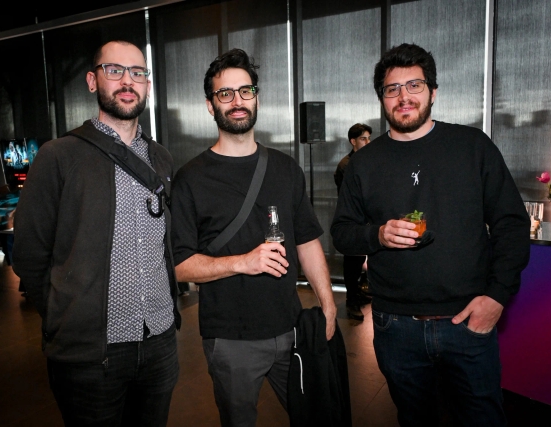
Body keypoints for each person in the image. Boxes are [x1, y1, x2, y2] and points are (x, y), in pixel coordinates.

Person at [330, 43, 530, 426]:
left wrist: (497, 297)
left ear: (433, 91)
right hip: (395, 328)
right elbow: (342, 233)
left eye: (415, 85)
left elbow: (511, 224)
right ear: (382, 99)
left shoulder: (473, 147)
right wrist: (378, 234)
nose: (404, 96)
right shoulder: (363, 164)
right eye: (393, 89)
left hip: (469, 320)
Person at [12, 40, 180, 426]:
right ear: (92, 81)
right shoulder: (58, 156)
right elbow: (30, 255)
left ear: (147, 86)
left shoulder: (161, 159)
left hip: (159, 343)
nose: (127, 81)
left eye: (138, 73)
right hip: (89, 356)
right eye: (114, 70)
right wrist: (64, 317)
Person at [171, 48, 337, 427]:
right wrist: (244, 262)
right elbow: (179, 265)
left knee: (315, 415)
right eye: (225, 94)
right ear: (210, 105)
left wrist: (328, 305)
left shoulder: (285, 169)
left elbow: (308, 240)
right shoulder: (191, 179)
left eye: (245, 91)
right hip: (230, 339)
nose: (237, 101)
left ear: (256, 97)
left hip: (292, 327)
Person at [334, 123, 373, 320]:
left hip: (365, 220)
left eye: (369, 138)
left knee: (359, 262)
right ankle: (351, 301)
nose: (368, 142)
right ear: (353, 141)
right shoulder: (346, 165)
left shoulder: (366, 161)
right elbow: (350, 198)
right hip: (353, 222)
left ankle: (357, 293)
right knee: (352, 262)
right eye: (364, 138)